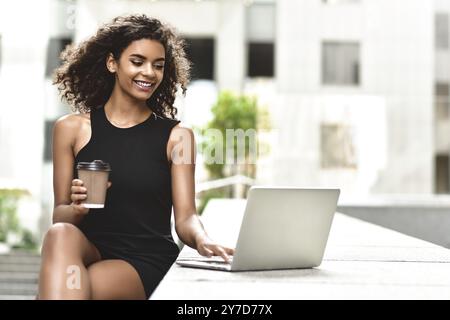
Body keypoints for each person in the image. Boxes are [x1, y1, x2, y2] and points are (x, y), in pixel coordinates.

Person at [37, 14, 234, 300]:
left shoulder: (178, 138)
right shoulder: (70, 129)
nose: (149, 73)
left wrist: (203, 239)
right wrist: (78, 207)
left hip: (143, 259)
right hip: (87, 249)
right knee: (59, 235)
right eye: (137, 61)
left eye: (158, 65)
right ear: (112, 63)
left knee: (68, 285)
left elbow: (186, 217)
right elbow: (60, 215)